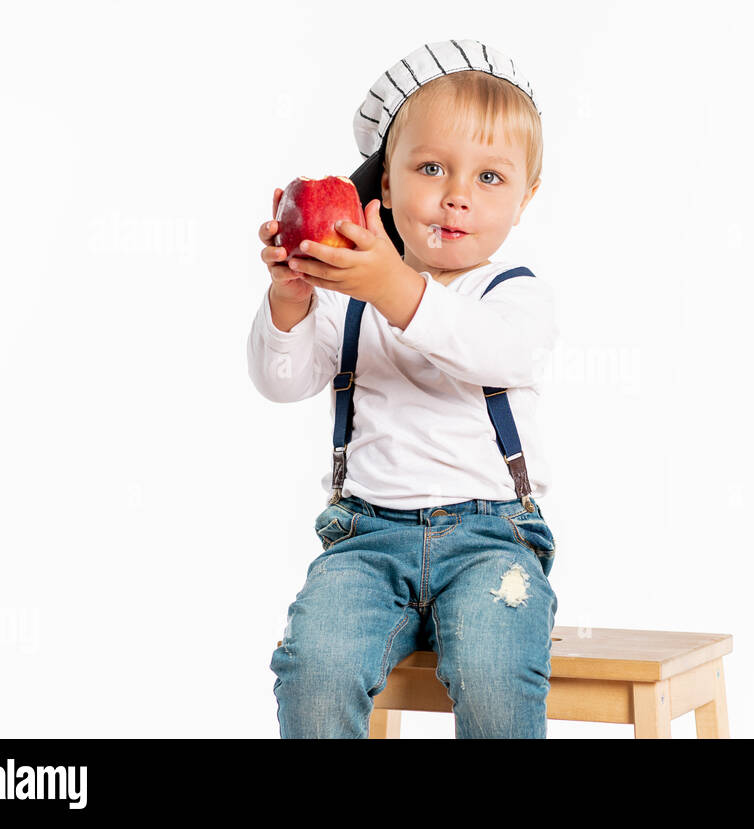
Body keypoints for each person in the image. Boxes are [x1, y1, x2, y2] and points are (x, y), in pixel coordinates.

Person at [246, 39, 559, 738]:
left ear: (525, 199)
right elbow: (281, 379)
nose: (456, 194)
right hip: (365, 537)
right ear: (384, 184)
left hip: (492, 540)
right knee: (311, 669)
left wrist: (393, 286)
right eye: (430, 167)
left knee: (493, 671)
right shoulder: (349, 296)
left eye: (489, 177)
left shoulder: (514, 297)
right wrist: (291, 299)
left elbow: (483, 349)